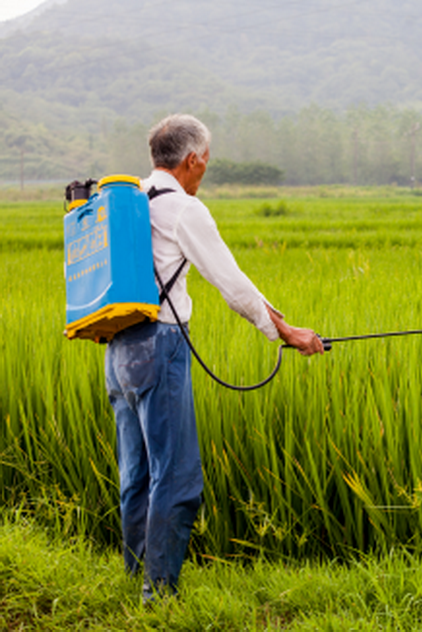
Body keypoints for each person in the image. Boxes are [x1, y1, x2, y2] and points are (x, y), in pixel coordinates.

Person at [103, 113, 324, 603]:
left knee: (136, 473)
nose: (205, 170)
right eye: (206, 161)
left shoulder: (130, 200)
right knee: (177, 477)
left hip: (118, 349)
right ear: (193, 159)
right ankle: (158, 595)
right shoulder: (183, 210)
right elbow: (232, 283)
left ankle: (136, 576)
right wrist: (283, 331)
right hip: (160, 346)